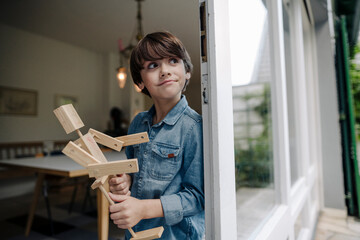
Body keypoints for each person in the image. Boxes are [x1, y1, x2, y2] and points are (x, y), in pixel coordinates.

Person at [108, 31, 204, 239]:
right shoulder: (137, 123)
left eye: (172, 60)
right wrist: (125, 181)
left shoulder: (194, 127)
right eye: (153, 65)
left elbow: (197, 197)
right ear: (140, 83)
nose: (165, 71)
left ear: (187, 71)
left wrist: (142, 209)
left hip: (175, 235)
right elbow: (134, 172)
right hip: (136, 231)